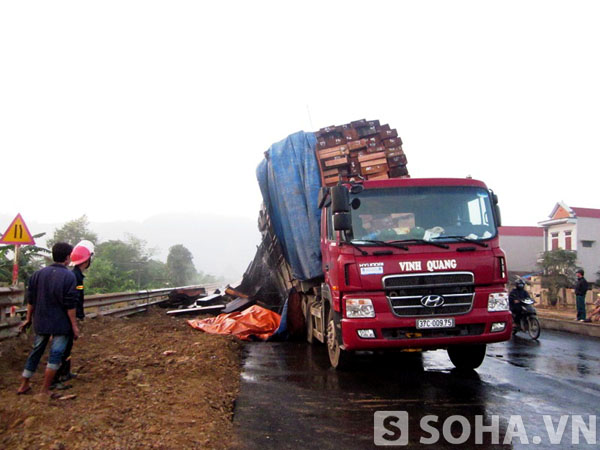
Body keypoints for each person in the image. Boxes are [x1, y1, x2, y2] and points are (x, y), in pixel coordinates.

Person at [17, 242, 79, 398]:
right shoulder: (69, 276)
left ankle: (24, 384)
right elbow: (70, 305)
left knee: (36, 351)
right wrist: (74, 326)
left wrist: (28, 319)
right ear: (67, 257)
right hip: (61, 324)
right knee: (56, 354)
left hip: (41, 322)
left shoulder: (37, 275)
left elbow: (31, 300)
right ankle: (44, 390)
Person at [53, 240, 94, 387]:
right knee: (63, 347)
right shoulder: (75, 277)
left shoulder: (76, 275)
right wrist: (75, 320)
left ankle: (66, 372)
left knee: (68, 346)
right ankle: (58, 376)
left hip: (67, 316)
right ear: (87, 259)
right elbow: (74, 300)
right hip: (68, 318)